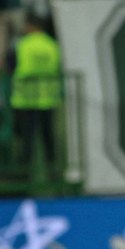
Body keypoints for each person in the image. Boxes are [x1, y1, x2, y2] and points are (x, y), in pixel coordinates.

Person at [8, 11, 61, 184]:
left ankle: (23, 177)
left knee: (26, 140)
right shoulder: (52, 44)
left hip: (25, 98)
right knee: (48, 139)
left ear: (31, 26)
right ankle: (53, 173)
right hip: (47, 97)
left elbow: (11, 65)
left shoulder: (23, 44)